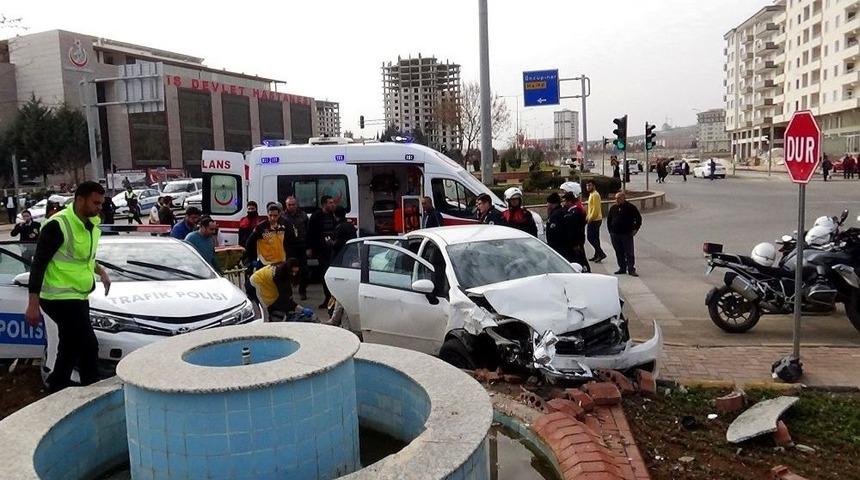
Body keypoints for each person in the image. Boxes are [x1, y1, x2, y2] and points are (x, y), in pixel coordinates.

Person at [25, 181, 110, 392]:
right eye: (96, 203)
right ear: (80, 199)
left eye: (101, 203)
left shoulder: (91, 224)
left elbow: (83, 258)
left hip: (78, 295)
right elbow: (38, 264)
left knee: (71, 344)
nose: (100, 207)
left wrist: (101, 271)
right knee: (88, 345)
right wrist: (32, 303)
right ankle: (93, 390)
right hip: (56, 297)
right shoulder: (58, 224)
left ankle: (57, 386)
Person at [307, 195, 337, 308]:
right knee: (325, 274)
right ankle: (328, 298)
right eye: (330, 202)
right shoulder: (316, 216)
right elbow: (310, 232)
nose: (332, 204)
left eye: (333, 202)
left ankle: (333, 299)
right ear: (324, 204)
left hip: (332, 249)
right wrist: (309, 248)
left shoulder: (333, 215)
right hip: (321, 249)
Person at [606, 192, 642, 277]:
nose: (617, 200)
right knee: (619, 251)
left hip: (626, 234)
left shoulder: (630, 207)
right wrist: (610, 231)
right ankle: (622, 267)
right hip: (615, 234)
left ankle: (631, 269)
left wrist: (635, 229)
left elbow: (638, 219)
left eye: (619, 198)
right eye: (616, 198)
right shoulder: (613, 208)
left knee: (629, 252)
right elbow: (609, 220)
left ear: (623, 198)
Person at [282, 196, 309, 300]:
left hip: (301, 245)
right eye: (289, 205)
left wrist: (308, 247)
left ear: (296, 205)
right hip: (288, 246)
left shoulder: (303, 215)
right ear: (286, 205)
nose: (291, 207)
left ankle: (303, 291)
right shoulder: (283, 217)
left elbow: (308, 231)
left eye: (293, 204)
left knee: (304, 270)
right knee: (288, 269)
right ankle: (289, 292)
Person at [562, 191, 590, 273]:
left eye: (565, 201)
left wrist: (575, 243)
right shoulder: (575, 211)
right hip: (578, 240)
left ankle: (586, 272)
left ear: (569, 202)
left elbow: (574, 229)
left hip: (576, 242)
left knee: (580, 259)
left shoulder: (574, 213)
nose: (563, 203)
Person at [545, 192, 572, 261]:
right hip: (566, 247)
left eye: (548, 203)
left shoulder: (555, 215)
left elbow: (554, 233)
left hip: (558, 249)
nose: (547, 205)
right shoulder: (563, 211)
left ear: (552, 203)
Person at [584, 181, 607, 263]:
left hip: (595, 220)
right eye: (587, 185)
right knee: (595, 238)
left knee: (590, 237)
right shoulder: (591, 195)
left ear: (594, 186)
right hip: (593, 219)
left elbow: (596, 209)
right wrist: (587, 217)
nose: (588, 187)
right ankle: (597, 254)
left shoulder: (595, 195)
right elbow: (591, 208)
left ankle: (601, 253)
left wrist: (590, 219)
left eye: (589, 185)